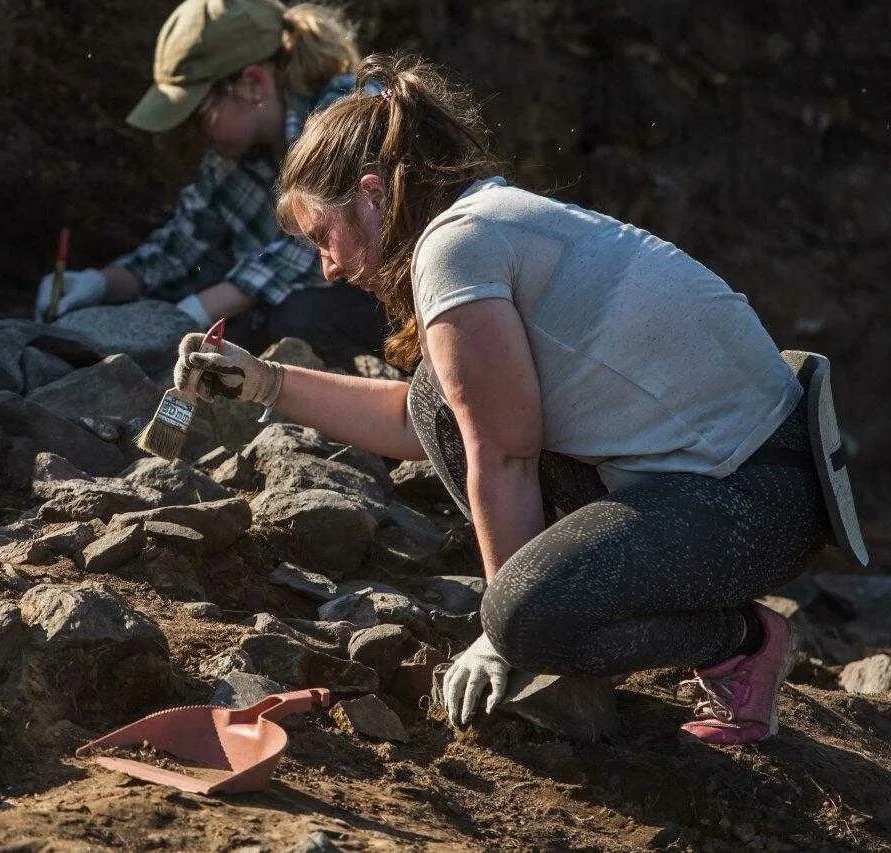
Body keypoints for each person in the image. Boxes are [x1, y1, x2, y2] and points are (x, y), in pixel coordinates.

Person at [172, 54, 861, 746]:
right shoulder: (485, 220)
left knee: (525, 618)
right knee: (436, 398)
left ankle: (740, 642)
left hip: (754, 496)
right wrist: (265, 381)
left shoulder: (454, 244)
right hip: (736, 478)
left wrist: (506, 630)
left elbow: (502, 453)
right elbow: (424, 421)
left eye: (323, 234)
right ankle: (560, 616)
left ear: (374, 194)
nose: (325, 263)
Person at [34, 0, 388, 367]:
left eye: (199, 114)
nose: (193, 133)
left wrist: (194, 312)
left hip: (393, 297)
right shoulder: (233, 158)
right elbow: (182, 245)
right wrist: (103, 282)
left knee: (297, 319)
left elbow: (323, 241)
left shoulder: (353, 109)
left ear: (253, 83)